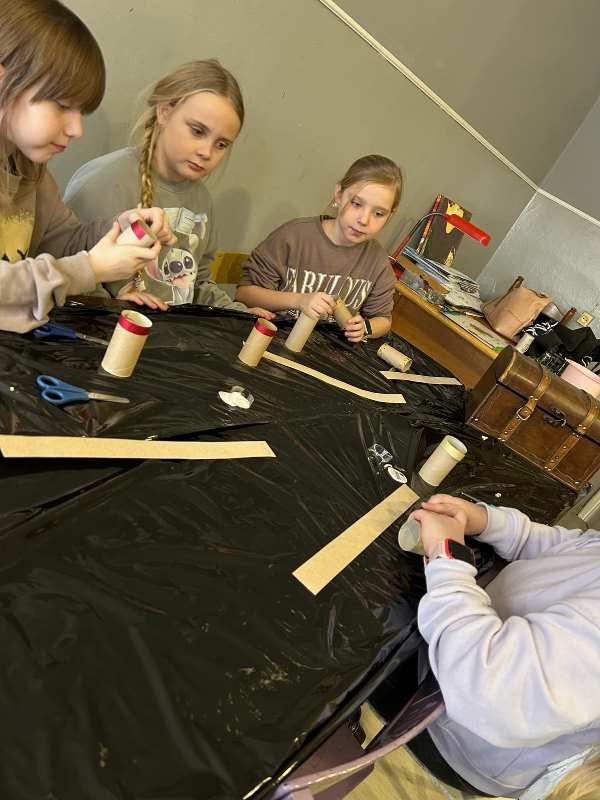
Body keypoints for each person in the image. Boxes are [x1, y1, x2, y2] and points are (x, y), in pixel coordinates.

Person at [403, 493, 600, 799]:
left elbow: (489, 690)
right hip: (458, 654)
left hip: (457, 740)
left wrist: (447, 554)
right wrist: (485, 521)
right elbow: (561, 546)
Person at [0, 0, 174, 334]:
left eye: (81, 112)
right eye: (62, 105)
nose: (77, 129)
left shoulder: (31, 172)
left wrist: (120, 229)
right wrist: (90, 269)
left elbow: (63, 241)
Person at [64, 59, 272, 318]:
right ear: (164, 112)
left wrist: (239, 314)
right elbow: (70, 273)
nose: (206, 152)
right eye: (197, 131)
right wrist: (113, 306)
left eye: (221, 145)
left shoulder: (202, 200)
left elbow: (198, 283)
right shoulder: (101, 182)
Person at [235, 154, 401, 343]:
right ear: (339, 194)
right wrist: (299, 301)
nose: (364, 220)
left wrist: (366, 328)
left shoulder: (377, 261)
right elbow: (245, 294)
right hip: (269, 340)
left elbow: (384, 320)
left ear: (390, 215)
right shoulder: (294, 236)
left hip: (323, 350)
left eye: (378, 213)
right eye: (356, 204)